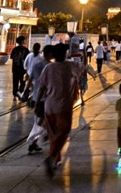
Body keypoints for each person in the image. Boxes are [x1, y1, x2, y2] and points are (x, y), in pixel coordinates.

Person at [36, 44, 84, 177]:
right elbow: (82, 69)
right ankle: (51, 157)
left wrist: (37, 103)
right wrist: (82, 56)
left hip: (49, 106)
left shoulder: (48, 67)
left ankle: (55, 161)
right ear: (65, 54)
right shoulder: (70, 66)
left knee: (53, 135)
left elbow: (42, 87)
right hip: (63, 107)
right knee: (63, 132)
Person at [25, 44, 51, 153]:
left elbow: (30, 79)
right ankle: (35, 139)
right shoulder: (49, 66)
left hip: (36, 96)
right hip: (46, 97)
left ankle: (34, 142)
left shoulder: (36, 65)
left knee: (39, 120)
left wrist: (26, 92)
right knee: (44, 120)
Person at [10, 36, 30, 102]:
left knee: (15, 82)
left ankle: (15, 95)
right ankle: (19, 93)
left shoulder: (14, 49)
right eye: (24, 40)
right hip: (22, 69)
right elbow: (27, 60)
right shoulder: (26, 50)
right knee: (23, 82)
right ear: (22, 41)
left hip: (15, 69)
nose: (25, 41)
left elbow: (12, 58)